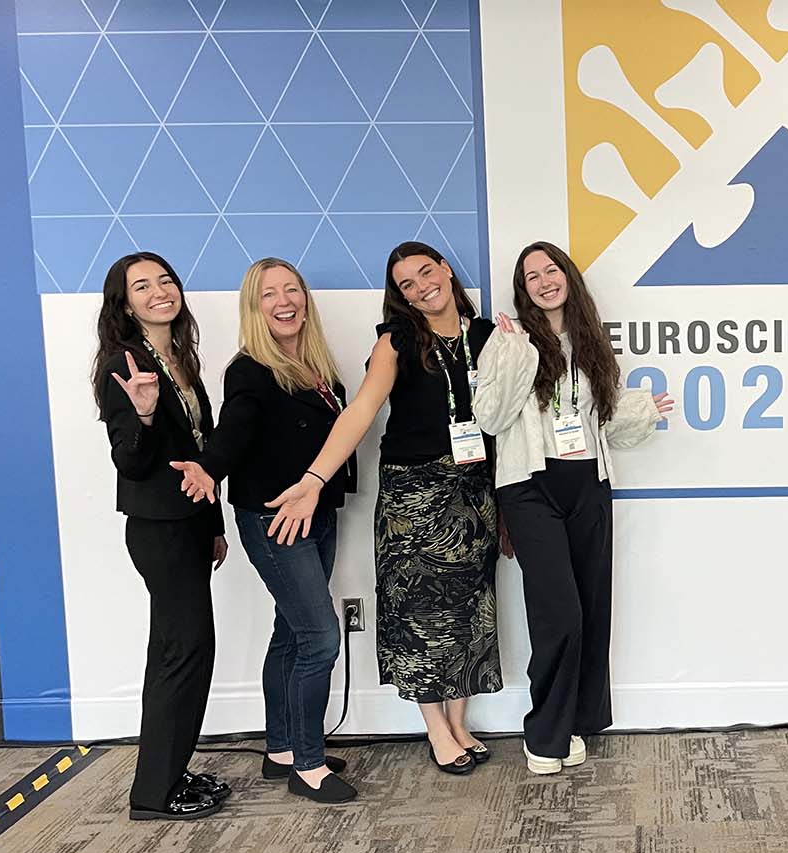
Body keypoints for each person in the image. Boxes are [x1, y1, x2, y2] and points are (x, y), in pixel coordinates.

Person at [264, 242, 501, 775]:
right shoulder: (397, 340)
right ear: (400, 296)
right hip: (413, 497)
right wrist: (313, 478)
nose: (421, 288)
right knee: (421, 617)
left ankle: (459, 723)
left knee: (470, 614)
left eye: (426, 273)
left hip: (474, 491)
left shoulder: (484, 336)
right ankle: (436, 729)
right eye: (406, 285)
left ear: (446, 269)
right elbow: (363, 410)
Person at [475, 241, 673, 775]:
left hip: (588, 482)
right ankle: (544, 731)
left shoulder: (591, 342)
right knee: (557, 611)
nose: (543, 280)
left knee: (589, 607)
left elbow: (604, 425)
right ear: (523, 289)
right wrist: (519, 356)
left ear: (567, 276)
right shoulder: (509, 340)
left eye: (551, 269)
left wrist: (639, 411)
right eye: (531, 275)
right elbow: (490, 417)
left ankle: (577, 721)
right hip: (530, 487)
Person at [172, 258, 358, 802]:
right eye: (269, 295)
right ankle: (309, 764)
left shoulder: (318, 368)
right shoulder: (249, 369)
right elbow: (235, 429)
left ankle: (281, 750)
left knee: (291, 631)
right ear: (254, 308)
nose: (284, 301)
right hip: (274, 518)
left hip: (318, 513)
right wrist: (209, 465)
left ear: (305, 298)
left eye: (292, 290)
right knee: (320, 638)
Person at [91, 252, 230, 821]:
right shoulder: (125, 363)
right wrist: (144, 415)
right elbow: (130, 460)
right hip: (159, 530)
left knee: (180, 651)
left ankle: (168, 772)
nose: (158, 292)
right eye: (141, 287)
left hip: (191, 525)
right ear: (125, 303)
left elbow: (200, 449)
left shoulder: (178, 356)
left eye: (165, 281)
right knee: (185, 651)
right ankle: (154, 794)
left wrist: (215, 527)